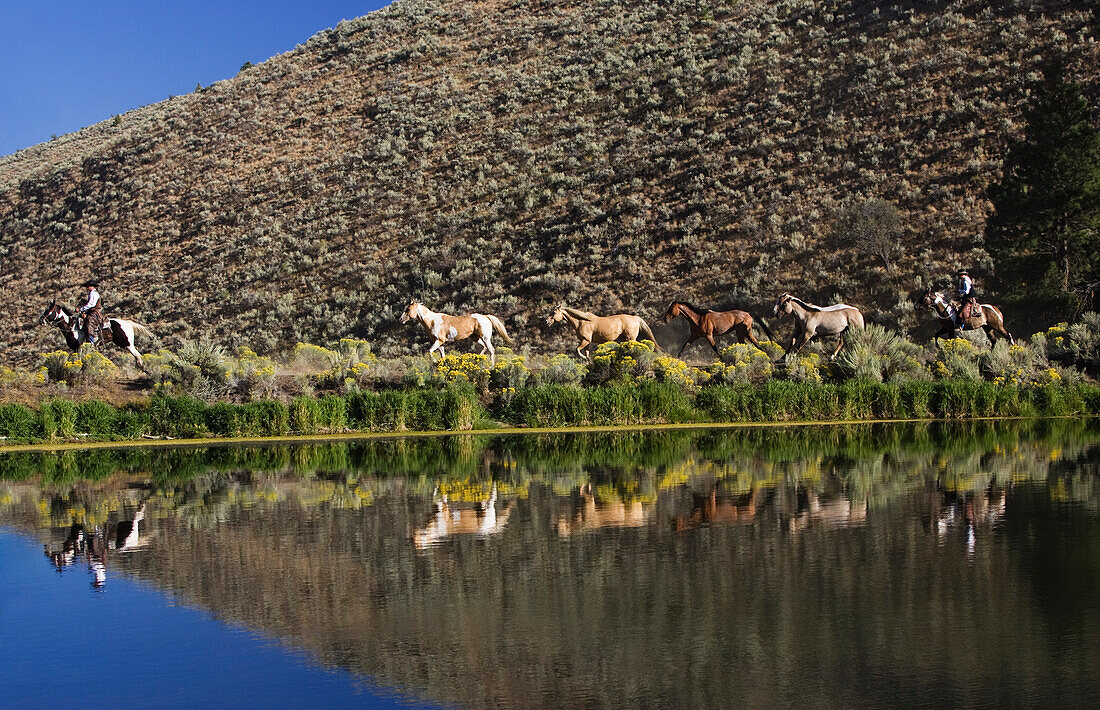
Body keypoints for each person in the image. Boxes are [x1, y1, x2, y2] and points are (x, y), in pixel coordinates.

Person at [78, 280, 105, 344]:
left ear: (91, 286)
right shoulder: (92, 293)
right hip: (91, 311)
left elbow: (91, 304)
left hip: (95, 312)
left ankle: (91, 340)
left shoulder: (94, 293)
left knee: (89, 323)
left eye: (88, 286)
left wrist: (82, 309)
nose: (87, 288)